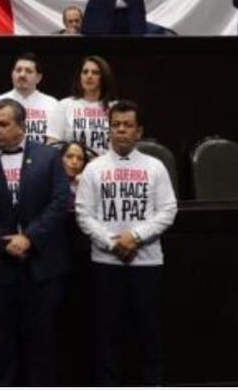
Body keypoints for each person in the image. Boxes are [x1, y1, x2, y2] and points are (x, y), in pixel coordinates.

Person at [0, 99, 70, 385]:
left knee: (43, 346)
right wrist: (4, 242)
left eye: (3, 124)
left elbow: (60, 202)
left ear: (22, 126)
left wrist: (30, 238)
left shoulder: (48, 158)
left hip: (42, 268)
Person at [75, 101, 177, 385]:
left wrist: (136, 237)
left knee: (149, 334)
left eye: (127, 125)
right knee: (105, 334)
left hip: (147, 263)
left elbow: (168, 210)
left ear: (139, 131)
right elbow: (84, 215)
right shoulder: (94, 169)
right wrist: (112, 242)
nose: (121, 130)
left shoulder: (155, 167)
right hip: (106, 263)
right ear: (109, 129)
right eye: (116, 125)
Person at [48, 55, 116, 155]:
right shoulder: (64, 105)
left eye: (95, 73)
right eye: (85, 72)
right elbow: (52, 144)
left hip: (106, 167)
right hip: (73, 167)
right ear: (80, 76)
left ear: (104, 77)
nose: (89, 76)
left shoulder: (115, 108)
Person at [0, 53, 59, 143]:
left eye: (28, 71)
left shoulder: (52, 104)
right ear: (12, 74)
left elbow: (54, 141)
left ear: (38, 77)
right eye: (18, 70)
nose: (22, 75)